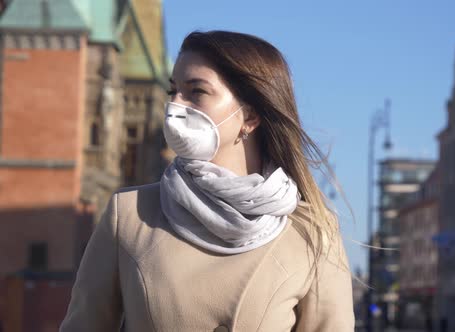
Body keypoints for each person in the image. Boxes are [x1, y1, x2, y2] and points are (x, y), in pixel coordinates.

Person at [59, 30, 354, 331]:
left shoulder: (313, 233)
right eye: (172, 91)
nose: (176, 105)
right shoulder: (130, 214)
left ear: (249, 116)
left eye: (196, 92)